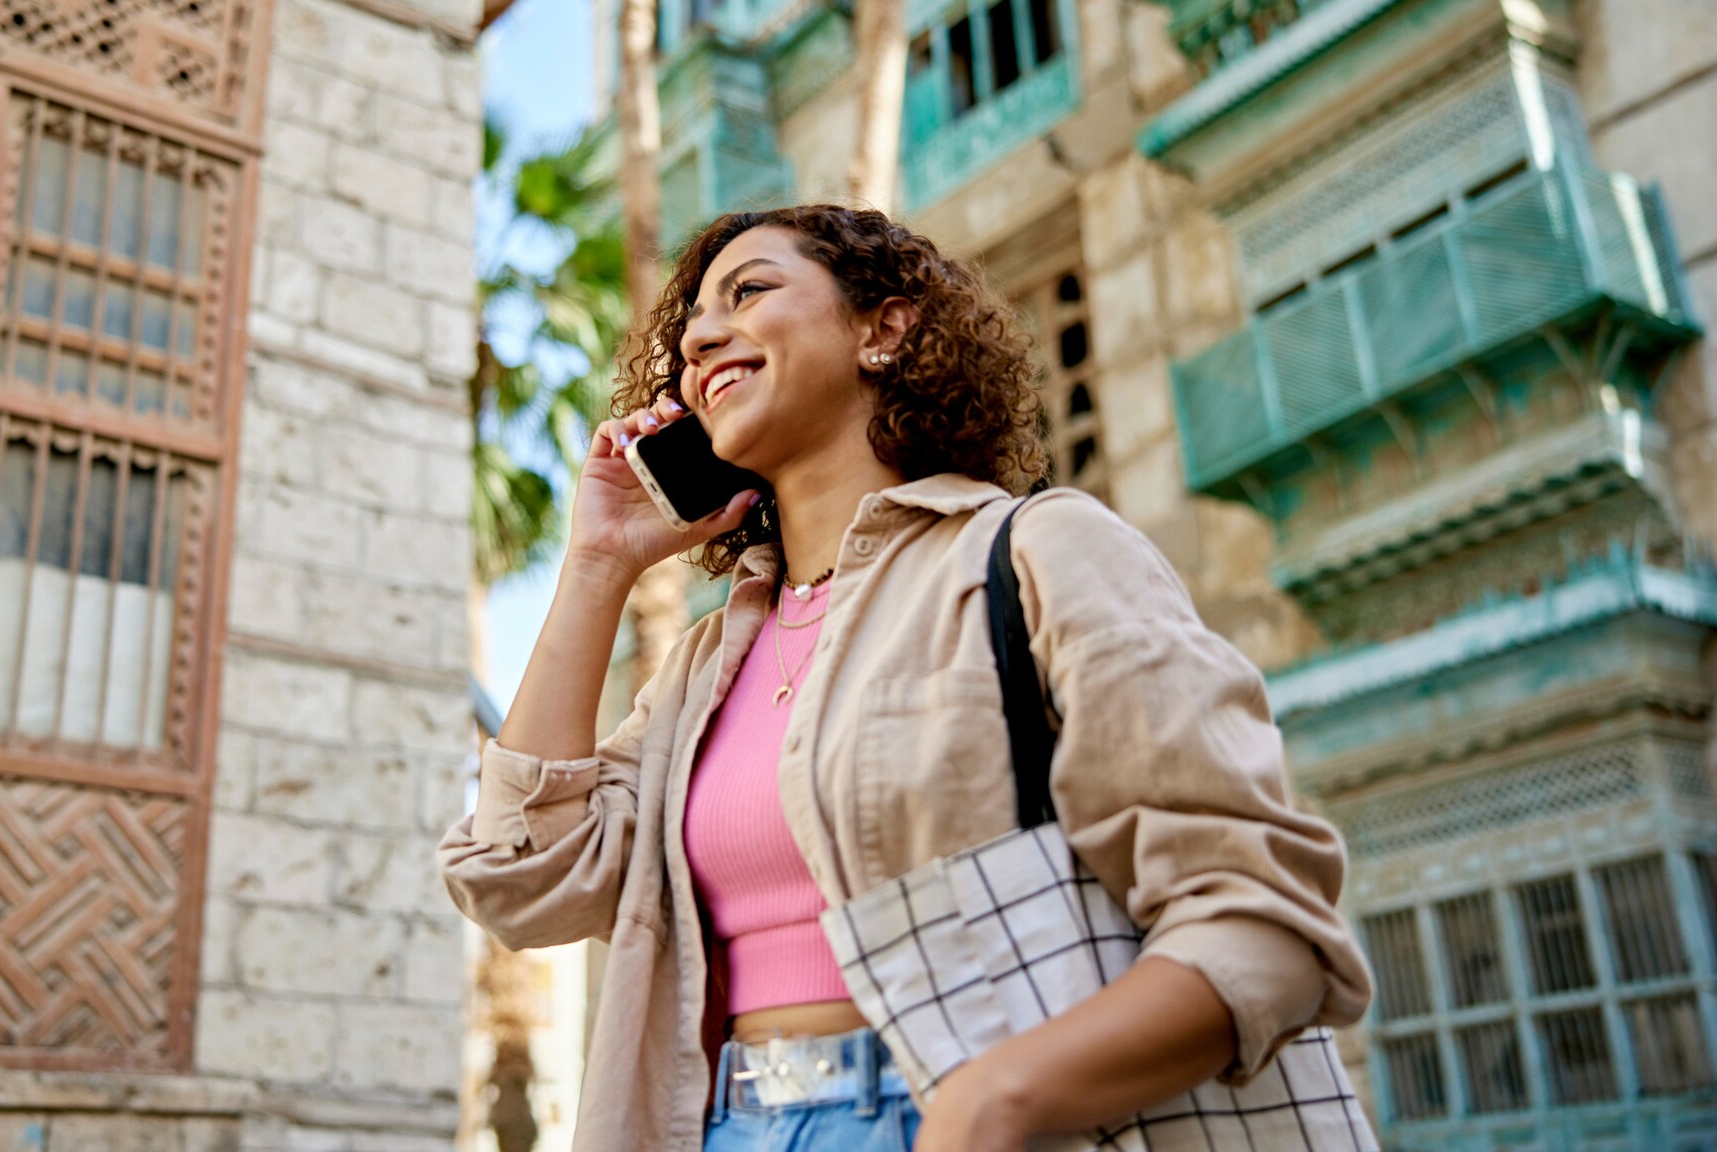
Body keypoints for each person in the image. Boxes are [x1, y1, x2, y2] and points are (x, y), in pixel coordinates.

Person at [440, 205, 1372, 1152]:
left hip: (970, 1119)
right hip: (725, 1125)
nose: (699, 338)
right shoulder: (701, 672)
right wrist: (598, 565)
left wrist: (995, 1103)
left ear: (883, 330)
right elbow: (522, 879)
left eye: (749, 291)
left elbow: (1264, 925)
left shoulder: (1034, 552)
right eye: (687, 334)